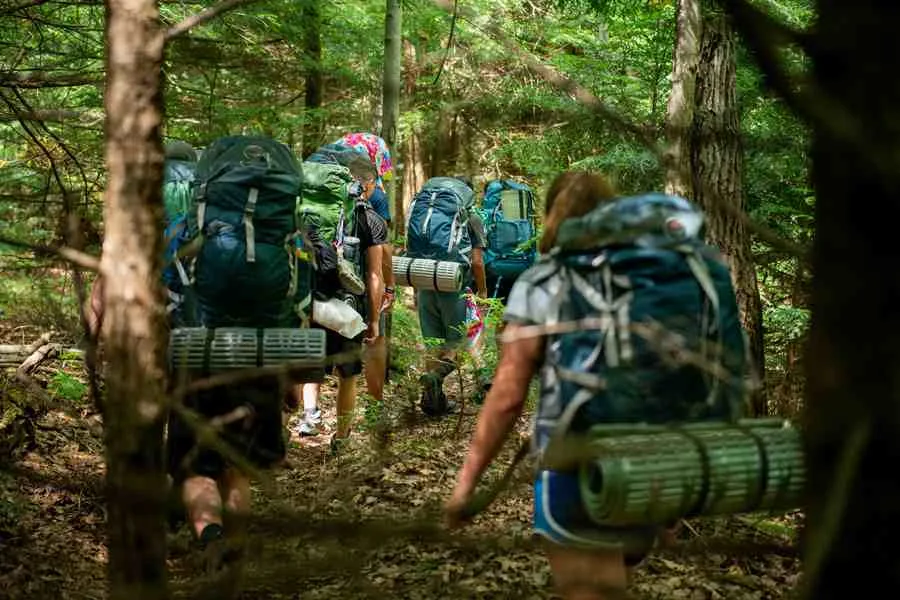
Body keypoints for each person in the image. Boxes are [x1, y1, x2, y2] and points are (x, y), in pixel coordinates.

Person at [445, 171, 748, 600]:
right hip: (655, 466)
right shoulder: (652, 278)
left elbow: (508, 395)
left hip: (578, 467)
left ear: (551, 215)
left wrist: (466, 484)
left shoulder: (546, 277)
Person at [295, 172, 391, 450]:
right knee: (347, 375)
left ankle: (310, 416)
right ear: (365, 186)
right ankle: (342, 437)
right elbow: (374, 274)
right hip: (347, 307)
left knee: (309, 365)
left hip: (308, 298)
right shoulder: (369, 218)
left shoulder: (302, 209)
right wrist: (374, 319)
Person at [412, 175, 489, 416]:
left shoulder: (426, 213)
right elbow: (477, 262)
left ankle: (432, 402)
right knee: (461, 343)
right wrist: (482, 292)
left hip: (425, 282)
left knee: (433, 345)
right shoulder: (472, 217)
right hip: (454, 286)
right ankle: (437, 377)